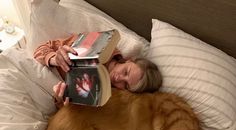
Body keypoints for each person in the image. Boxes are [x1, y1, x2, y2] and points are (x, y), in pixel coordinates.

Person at [33, 33, 163, 108]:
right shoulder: (100, 44)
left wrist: (60, 100)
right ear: (129, 60)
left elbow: (69, 112)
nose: (119, 79)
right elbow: (40, 49)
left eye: (126, 85)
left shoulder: (107, 97)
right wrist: (55, 59)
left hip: (45, 96)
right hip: (39, 69)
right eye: (126, 72)